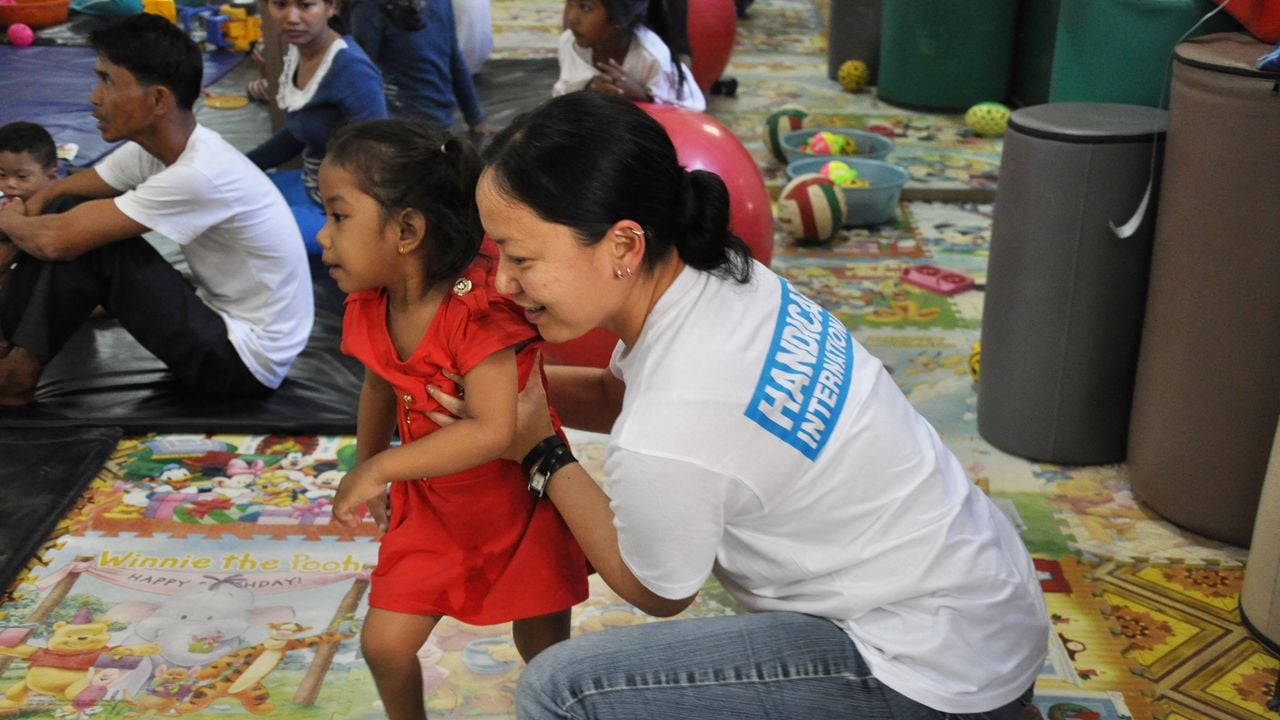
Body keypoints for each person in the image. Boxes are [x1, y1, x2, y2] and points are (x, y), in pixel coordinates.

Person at [461, 92, 1048, 718]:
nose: (502, 283)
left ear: (624, 247)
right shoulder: (720, 276)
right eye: (498, 257)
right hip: (986, 607)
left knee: (562, 691)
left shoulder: (672, 419)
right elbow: (617, 395)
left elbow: (657, 587)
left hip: (927, 671)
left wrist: (543, 453)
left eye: (521, 259)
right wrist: (511, 383)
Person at [318, 117, 587, 720]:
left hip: (518, 508)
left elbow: (493, 430)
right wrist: (368, 463)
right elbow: (377, 384)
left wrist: (383, 465)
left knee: (543, 652)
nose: (323, 237)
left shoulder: (480, 314)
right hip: (431, 513)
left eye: (338, 216)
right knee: (384, 644)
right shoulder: (371, 303)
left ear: (408, 229)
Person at [0, 14, 313, 408]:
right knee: (68, 210)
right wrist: (28, 208)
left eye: (108, 81)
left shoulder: (199, 172)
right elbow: (61, 192)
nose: (94, 97)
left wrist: (8, 219)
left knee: (96, 245)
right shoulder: (155, 150)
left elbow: (58, 241)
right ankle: (7, 341)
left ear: (159, 100)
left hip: (241, 365)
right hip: (218, 323)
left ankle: (17, 374)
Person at [247, 0, 387, 254]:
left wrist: (343, 220)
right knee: (234, 196)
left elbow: (377, 160)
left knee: (244, 230)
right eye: (280, 4)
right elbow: (297, 132)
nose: (291, 17)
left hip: (343, 208)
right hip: (312, 186)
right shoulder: (300, 54)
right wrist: (241, 164)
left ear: (331, 7)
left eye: (306, 5)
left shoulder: (351, 68)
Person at [348, 0, 493, 136]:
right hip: (397, 126)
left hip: (439, 120)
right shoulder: (370, 7)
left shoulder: (440, 3)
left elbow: (454, 57)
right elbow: (361, 73)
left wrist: (475, 117)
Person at [555, 0, 705, 111]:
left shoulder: (651, 56)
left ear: (621, 19)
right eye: (569, 3)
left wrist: (642, 96)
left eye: (585, 7)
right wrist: (587, 89)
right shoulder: (569, 42)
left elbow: (690, 112)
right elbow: (561, 95)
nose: (571, 18)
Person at [0, 121, 60, 290]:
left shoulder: (60, 210)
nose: (9, 184)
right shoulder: (11, 205)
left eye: (22, 176)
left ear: (52, 176)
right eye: (2, 175)